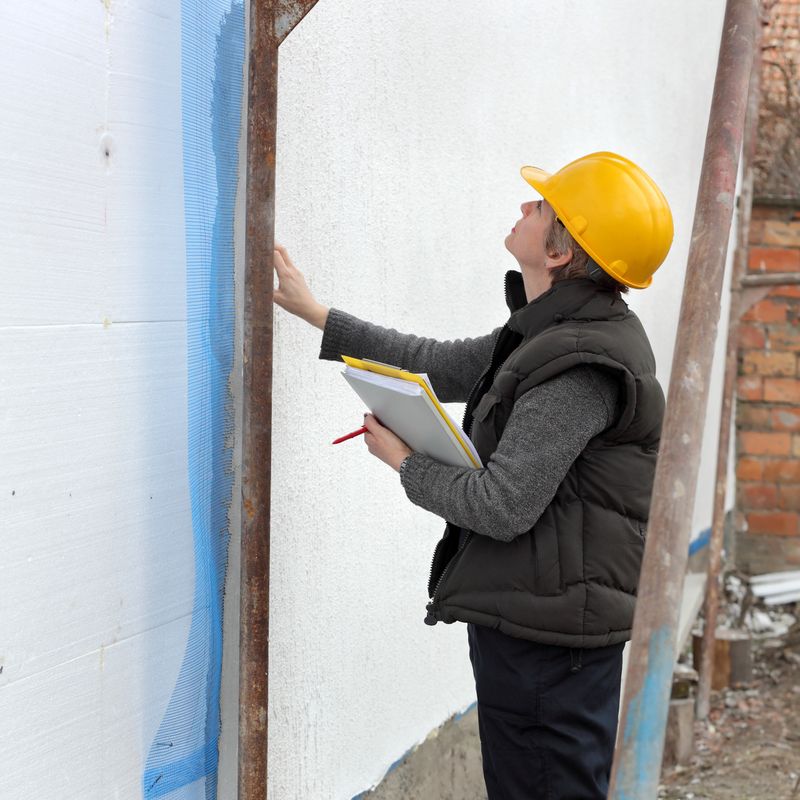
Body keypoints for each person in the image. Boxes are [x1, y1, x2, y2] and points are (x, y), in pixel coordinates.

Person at [272, 151, 673, 800]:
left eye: (542, 206)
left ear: (563, 252)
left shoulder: (579, 364)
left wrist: (403, 461)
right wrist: (317, 314)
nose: (524, 207)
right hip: (537, 621)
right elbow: (433, 364)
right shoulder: (547, 333)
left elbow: (502, 504)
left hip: (550, 644)